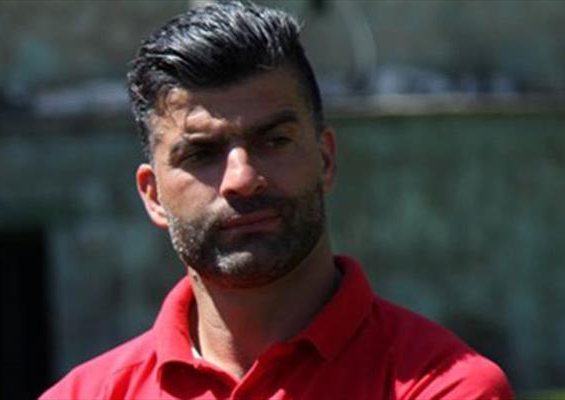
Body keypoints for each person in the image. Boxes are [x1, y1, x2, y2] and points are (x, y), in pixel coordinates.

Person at [41, 2, 513, 399]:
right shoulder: (83, 394)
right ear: (153, 195)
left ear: (325, 159)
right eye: (201, 153)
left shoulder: (443, 385)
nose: (242, 179)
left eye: (275, 141)